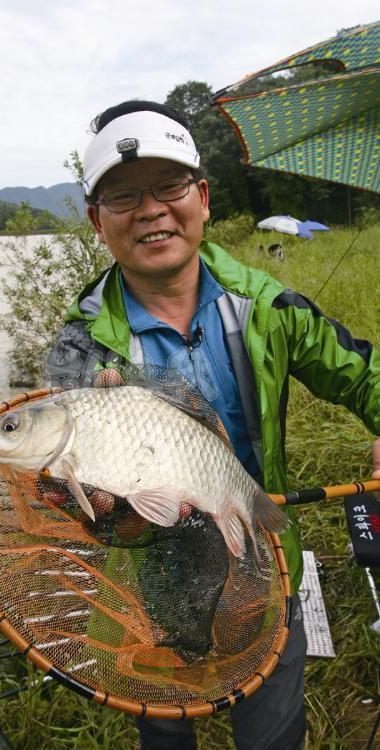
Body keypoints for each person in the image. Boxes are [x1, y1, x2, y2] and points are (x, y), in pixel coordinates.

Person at [45, 99, 380, 750]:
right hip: (152, 599)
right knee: (165, 738)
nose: (150, 209)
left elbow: (365, 374)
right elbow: (78, 505)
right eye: (122, 196)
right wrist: (105, 509)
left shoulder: (270, 306)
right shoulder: (79, 348)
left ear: (201, 196)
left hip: (263, 556)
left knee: (275, 733)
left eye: (169, 185)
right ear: (96, 220)